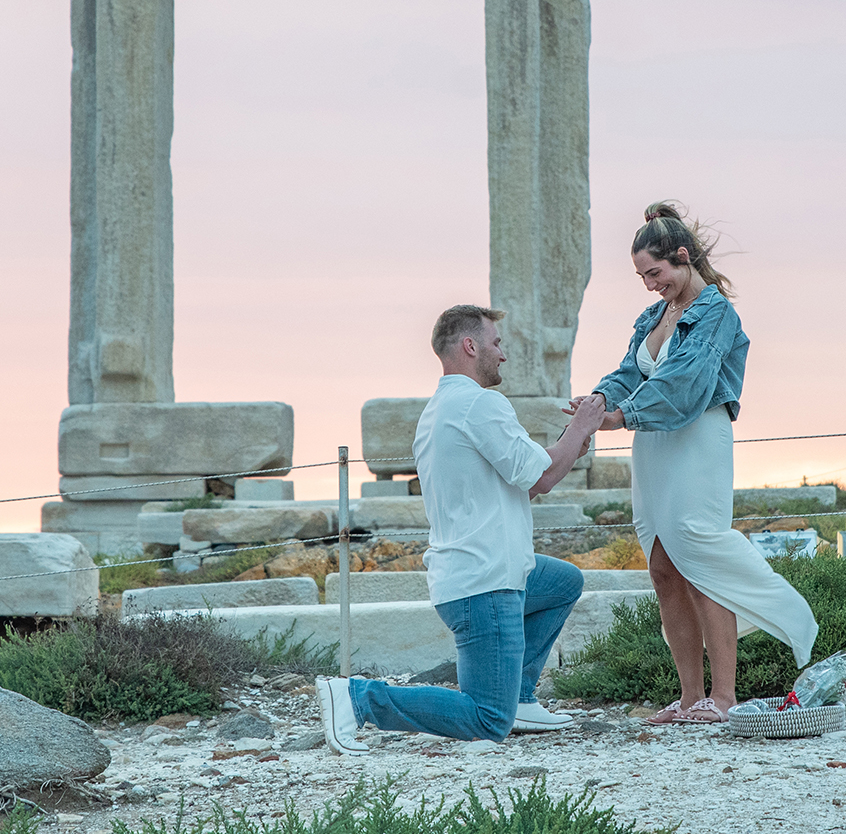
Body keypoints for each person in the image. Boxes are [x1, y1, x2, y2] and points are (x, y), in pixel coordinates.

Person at [316, 303, 605, 755]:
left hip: (480, 572)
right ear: (470, 346)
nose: (503, 354)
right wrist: (583, 424)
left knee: (564, 581)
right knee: (487, 720)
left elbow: (521, 483)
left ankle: (522, 698)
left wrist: (573, 439)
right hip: (486, 583)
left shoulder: (439, 410)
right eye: (497, 343)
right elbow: (542, 478)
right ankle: (358, 699)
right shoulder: (479, 403)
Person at [568, 202, 818, 724]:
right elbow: (629, 372)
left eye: (654, 273)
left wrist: (620, 417)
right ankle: (688, 697)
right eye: (641, 276)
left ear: (683, 258)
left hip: (698, 435)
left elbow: (686, 382)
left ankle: (723, 699)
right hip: (654, 441)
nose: (648, 284)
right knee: (662, 567)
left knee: (701, 558)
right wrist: (597, 400)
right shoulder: (652, 316)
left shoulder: (717, 314)